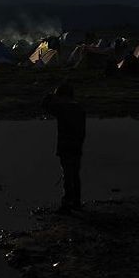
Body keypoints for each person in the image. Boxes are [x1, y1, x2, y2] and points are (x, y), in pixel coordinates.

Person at [42, 83, 86, 213]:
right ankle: (76, 201)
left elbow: (44, 105)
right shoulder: (80, 109)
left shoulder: (62, 109)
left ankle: (67, 202)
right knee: (75, 175)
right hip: (77, 147)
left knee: (67, 175)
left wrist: (50, 96)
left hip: (65, 147)